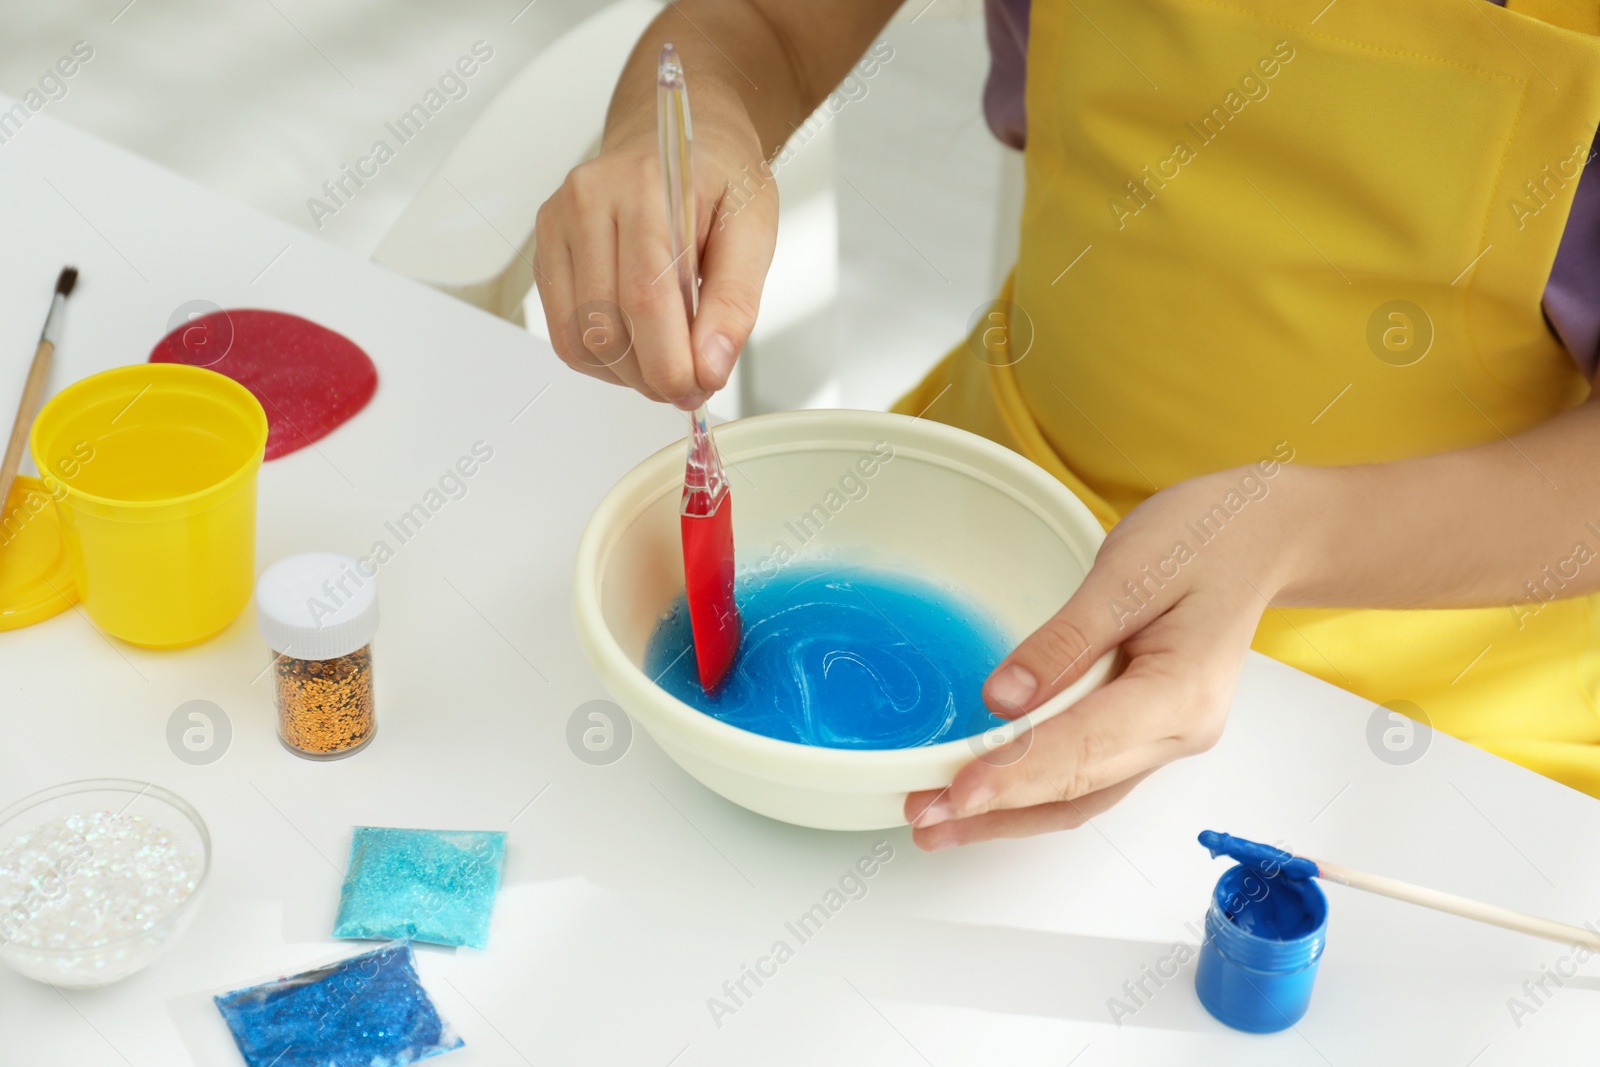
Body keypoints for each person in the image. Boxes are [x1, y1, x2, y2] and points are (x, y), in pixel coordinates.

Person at [533, 0, 1600, 849]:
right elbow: (762, 22)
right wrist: (690, 121)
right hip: (994, 499)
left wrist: (1292, 531)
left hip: (1442, 668)